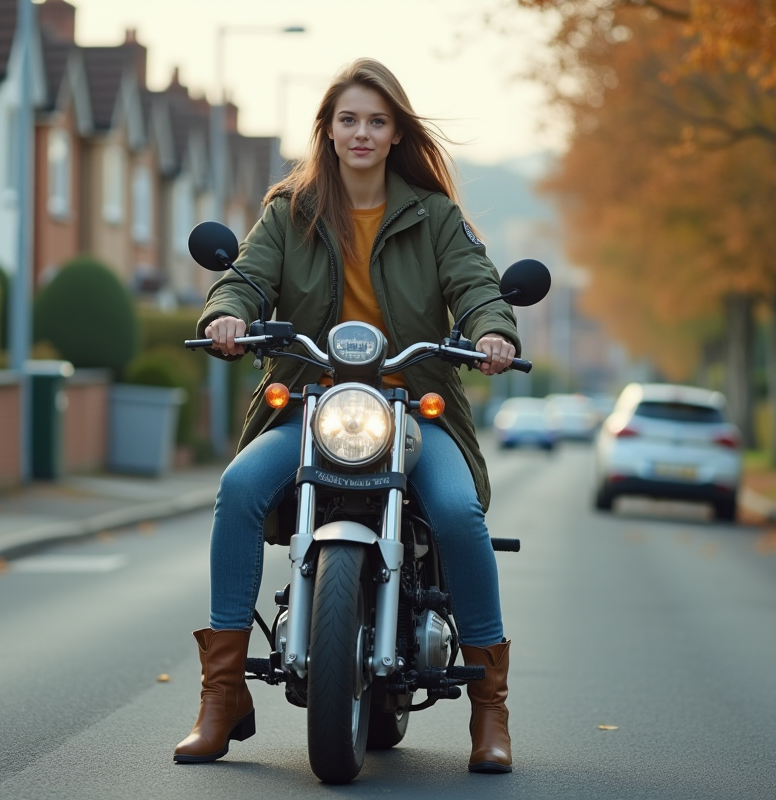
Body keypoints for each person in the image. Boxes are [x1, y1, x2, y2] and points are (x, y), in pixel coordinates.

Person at [173, 58, 522, 774]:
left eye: (377, 121)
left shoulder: (434, 216)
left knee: (459, 513)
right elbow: (246, 278)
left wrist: (493, 330)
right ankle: (221, 694)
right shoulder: (289, 211)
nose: (362, 132)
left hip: (413, 408)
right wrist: (227, 315)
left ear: (396, 134)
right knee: (239, 488)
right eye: (349, 119)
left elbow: (477, 285)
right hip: (310, 403)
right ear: (328, 131)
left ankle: (490, 709)